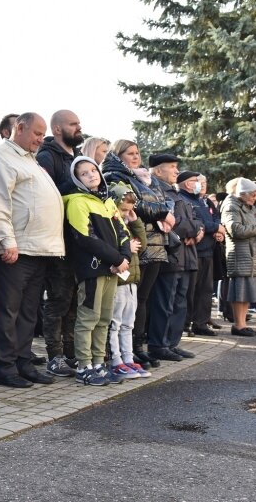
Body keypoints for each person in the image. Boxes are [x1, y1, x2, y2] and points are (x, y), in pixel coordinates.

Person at [0, 112, 64, 388]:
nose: (41, 139)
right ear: (19, 127)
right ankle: (4, 368)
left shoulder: (32, 160)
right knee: (7, 312)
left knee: (28, 313)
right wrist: (7, 241)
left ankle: (23, 363)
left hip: (38, 248)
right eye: (37, 133)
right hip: (14, 249)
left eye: (43, 134)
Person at [101, 140, 173, 369]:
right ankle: (123, 352)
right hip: (136, 244)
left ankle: (136, 349)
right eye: (130, 153)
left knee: (142, 301)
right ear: (118, 155)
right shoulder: (115, 175)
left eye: (137, 153)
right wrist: (162, 213)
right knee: (131, 302)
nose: (135, 157)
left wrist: (162, 211)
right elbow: (136, 206)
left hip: (156, 243)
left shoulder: (145, 178)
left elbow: (164, 201)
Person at [63, 157, 131, 385]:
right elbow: (85, 238)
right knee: (88, 317)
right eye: (84, 173)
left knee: (104, 318)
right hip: (92, 269)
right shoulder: (77, 202)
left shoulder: (108, 203)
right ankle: (84, 366)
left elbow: (123, 232)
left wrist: (124, 258)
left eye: (93, 170)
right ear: (76, 179)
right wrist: (115, 258)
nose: (92, 175)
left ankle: (99, 364)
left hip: (113, 268)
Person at [36, 110, 84, 378]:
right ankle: (54, 356)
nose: (79, 127)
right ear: (57, 128)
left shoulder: (76, 157)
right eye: (73, 124)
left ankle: (70, 353)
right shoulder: (47, 156)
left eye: (78, 123)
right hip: (58, 241)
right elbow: (50, 196)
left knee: (74, 300)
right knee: (58, 300)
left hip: (77, 241)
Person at [146, 155, 202, 362]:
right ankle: (158, 344)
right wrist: (192, 229)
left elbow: (195, 221)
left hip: (186, 256)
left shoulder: (176, 192)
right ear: (158, 171)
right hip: (171, 254)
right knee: (165, 302)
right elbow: (170, 223)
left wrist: (198, 230)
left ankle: (172, 343)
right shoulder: (156, 190)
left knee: (180, 302)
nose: (176, 171)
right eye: (172, 167)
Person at [107, 182, 151, 379]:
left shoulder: (127, 222)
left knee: (128, 323)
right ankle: (115, 359)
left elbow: (141, 245)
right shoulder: (110, 222)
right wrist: (126, 248)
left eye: (130, 210)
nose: (126, 213)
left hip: (132, 280)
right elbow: (111, 247)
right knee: (115, 322)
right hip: (118, 281)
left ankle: (128, 358)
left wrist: (135, 222)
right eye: (124, 209)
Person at [179, 173, 224, 336]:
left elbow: (215, 217)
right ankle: (185, 324)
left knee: (205, 290)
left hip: (208, 250)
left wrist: (218, 230)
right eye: (196, 182)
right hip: (194, 251)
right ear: (186, 184)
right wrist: (215, 228)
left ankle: (201, 323)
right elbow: (197, 221)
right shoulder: (184, 199)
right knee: (190, 290)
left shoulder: (203, 200)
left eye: (202, 182)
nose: (200, 185)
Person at [220, 177, 256, 336]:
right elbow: (236, 229)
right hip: (239, 253)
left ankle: (242, 324)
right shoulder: (230, 205)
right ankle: (238, 325)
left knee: (247, 291)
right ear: (243, 194)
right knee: (239, 290)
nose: (255, 198)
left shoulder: (250, 207)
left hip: (251, 253)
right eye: (253, 195)